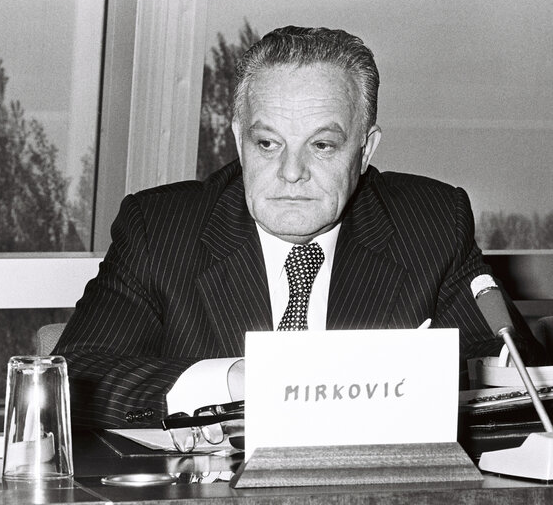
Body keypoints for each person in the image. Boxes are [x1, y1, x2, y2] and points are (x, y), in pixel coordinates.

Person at [54, 26, 544, 430]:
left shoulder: (431, 221)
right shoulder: (160, 230)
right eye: (268, 143)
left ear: (366, 150)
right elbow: (72, 381)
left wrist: (380, 382)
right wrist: (236, 379)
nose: (291, 172)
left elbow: (518, 380)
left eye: (323, 146)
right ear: (238, 141)